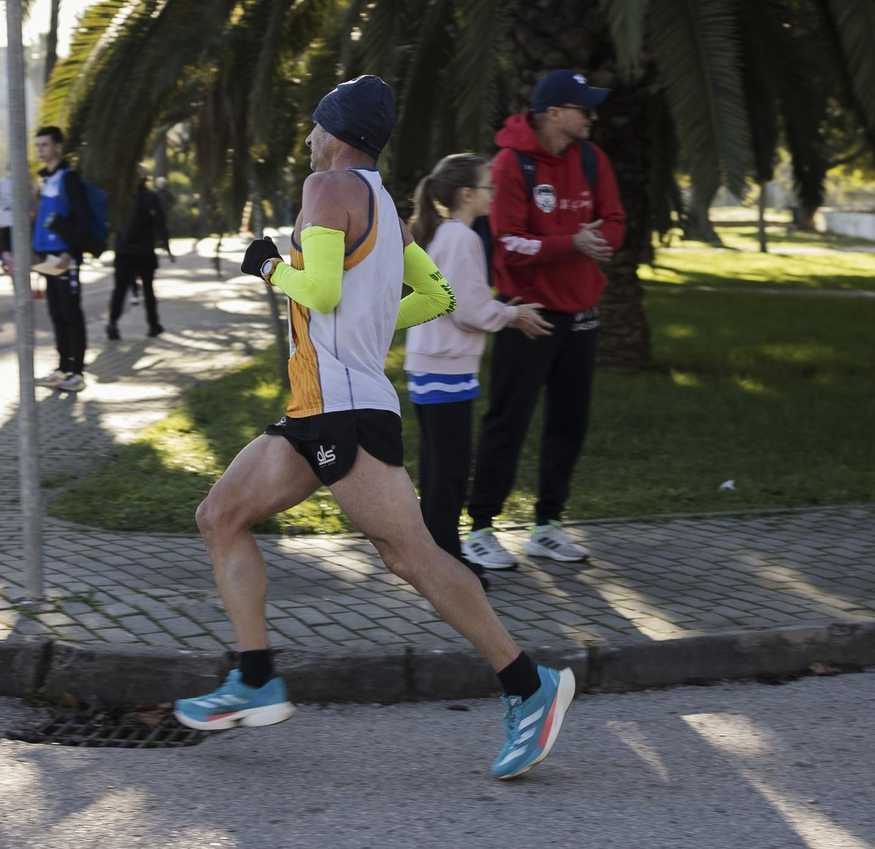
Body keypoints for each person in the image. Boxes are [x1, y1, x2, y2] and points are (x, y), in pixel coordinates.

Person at [172, 75, 577, 781]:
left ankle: (528, 685)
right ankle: (257, 676)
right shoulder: (388, 209)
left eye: (314, 124)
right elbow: (437, 296)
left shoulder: (325, 189)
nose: (307, 136)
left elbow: (322, 290)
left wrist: (270, 265)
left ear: (334, 130)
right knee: (220, 514)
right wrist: (360, 328)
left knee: (410, 554)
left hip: (343, 409)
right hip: (315, 407)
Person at [463, 69, 626, 567]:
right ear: (554, 113)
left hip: (581, 313)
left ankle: (547, 526)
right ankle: (480, 529)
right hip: (527, 315)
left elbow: (615, 220)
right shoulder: (512, 165)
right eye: (584, 108)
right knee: (508, 420)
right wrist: (570, 243)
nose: (592, 116)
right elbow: (508, 242)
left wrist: (600, 241)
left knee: (569, 422)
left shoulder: (594, 160)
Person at [404, 154, 552, 584]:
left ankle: (435, 558)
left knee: (437, 470)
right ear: (467, 195)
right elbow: (466, 309)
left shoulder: (443, 234)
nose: (494, 193)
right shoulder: (462, 238)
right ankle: (447, 567)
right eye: (489, 187)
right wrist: (513, 315)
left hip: (432, 364)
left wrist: (502, 311)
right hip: (446, 367)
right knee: (448, 473)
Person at [31, 125, 93, 392]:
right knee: (56, 312)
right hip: (48, 258)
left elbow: (83, 219)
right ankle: (62, 367)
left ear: (58, 147)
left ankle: (77, 372)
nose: (40, 150)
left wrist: (71, 253)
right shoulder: (46, 180)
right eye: (37, 145)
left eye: (44, 145)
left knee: (71, 313)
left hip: (65, 258)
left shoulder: (69, 178)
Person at [107, 167, 169, 340]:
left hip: (123, 251)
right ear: (145, 180)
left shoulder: (121, 199)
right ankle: (153, 324)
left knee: (119, 289)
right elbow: (160, 223)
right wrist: (166, 245)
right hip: (144, 251)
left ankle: (113, 322)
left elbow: (111, 221)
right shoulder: (151, 197)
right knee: (148, 289)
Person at [154, 175, 178, 265]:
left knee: (164, 236)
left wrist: (167, 208)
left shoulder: (167, 194)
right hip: (156, 218)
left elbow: (172, 201)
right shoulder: (155, 194)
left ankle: (168, 252)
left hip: (163, 217)